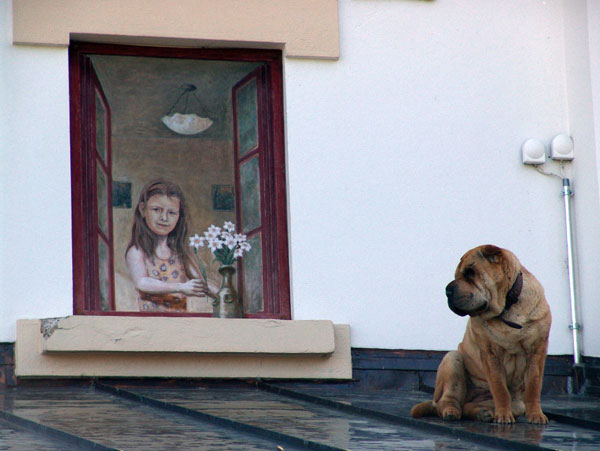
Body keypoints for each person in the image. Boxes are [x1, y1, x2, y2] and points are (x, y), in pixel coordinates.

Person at [125, 179, 214, 312]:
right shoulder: (137, 251)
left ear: (179, 216)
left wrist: (225, 295)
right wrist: (180, 287)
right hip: (151, 324)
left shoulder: (180, 252)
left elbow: (200, 284)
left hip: (180, 323)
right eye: (156, 210)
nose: (164, 218)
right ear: (143, 209)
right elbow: (142, 283)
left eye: (171, 212)